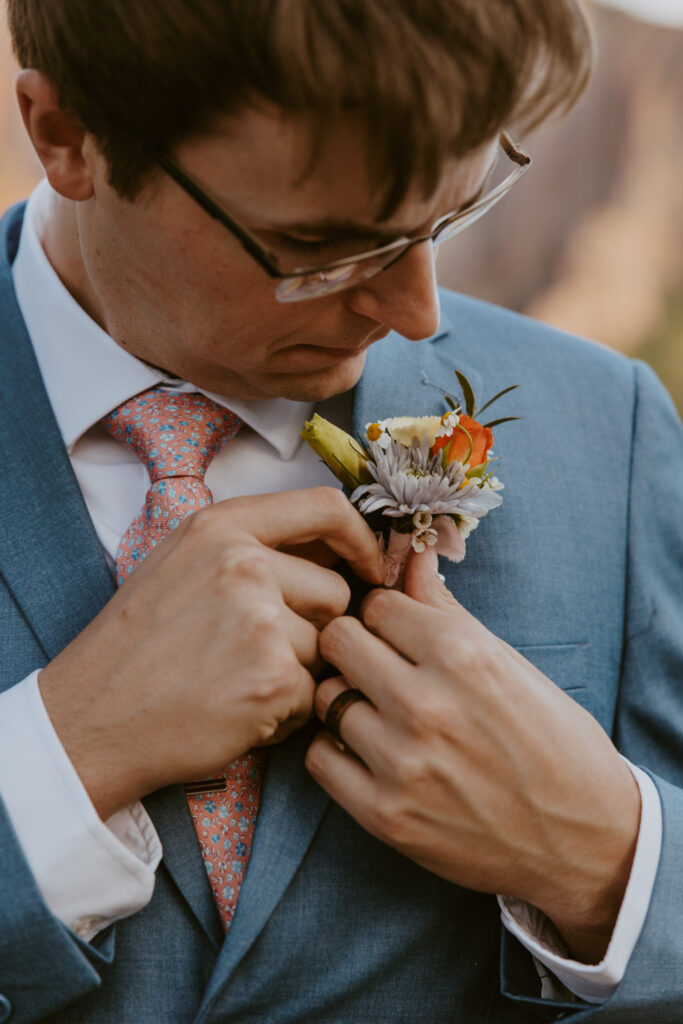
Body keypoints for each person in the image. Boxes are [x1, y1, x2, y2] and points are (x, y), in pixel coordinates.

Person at [0, 1, 681, 1021]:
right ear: (65, 135)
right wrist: (53, 765)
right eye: (319, 249)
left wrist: (603, 855)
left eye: (448, 216)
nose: (417, 311)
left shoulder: (609, 431)